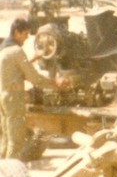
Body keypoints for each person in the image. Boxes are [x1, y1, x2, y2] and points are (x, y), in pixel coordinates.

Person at [0, 18, 68, 160]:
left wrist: (33, 59)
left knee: (6, 137)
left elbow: (15, 71)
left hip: (4, 97)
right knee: (16, 139)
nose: (26, 38)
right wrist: (55, 82)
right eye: (25, 34)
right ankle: (12, 169)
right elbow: (34, 78)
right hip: (13, 98)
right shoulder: (17, 51)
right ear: (17, 32)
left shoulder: (4, 49)